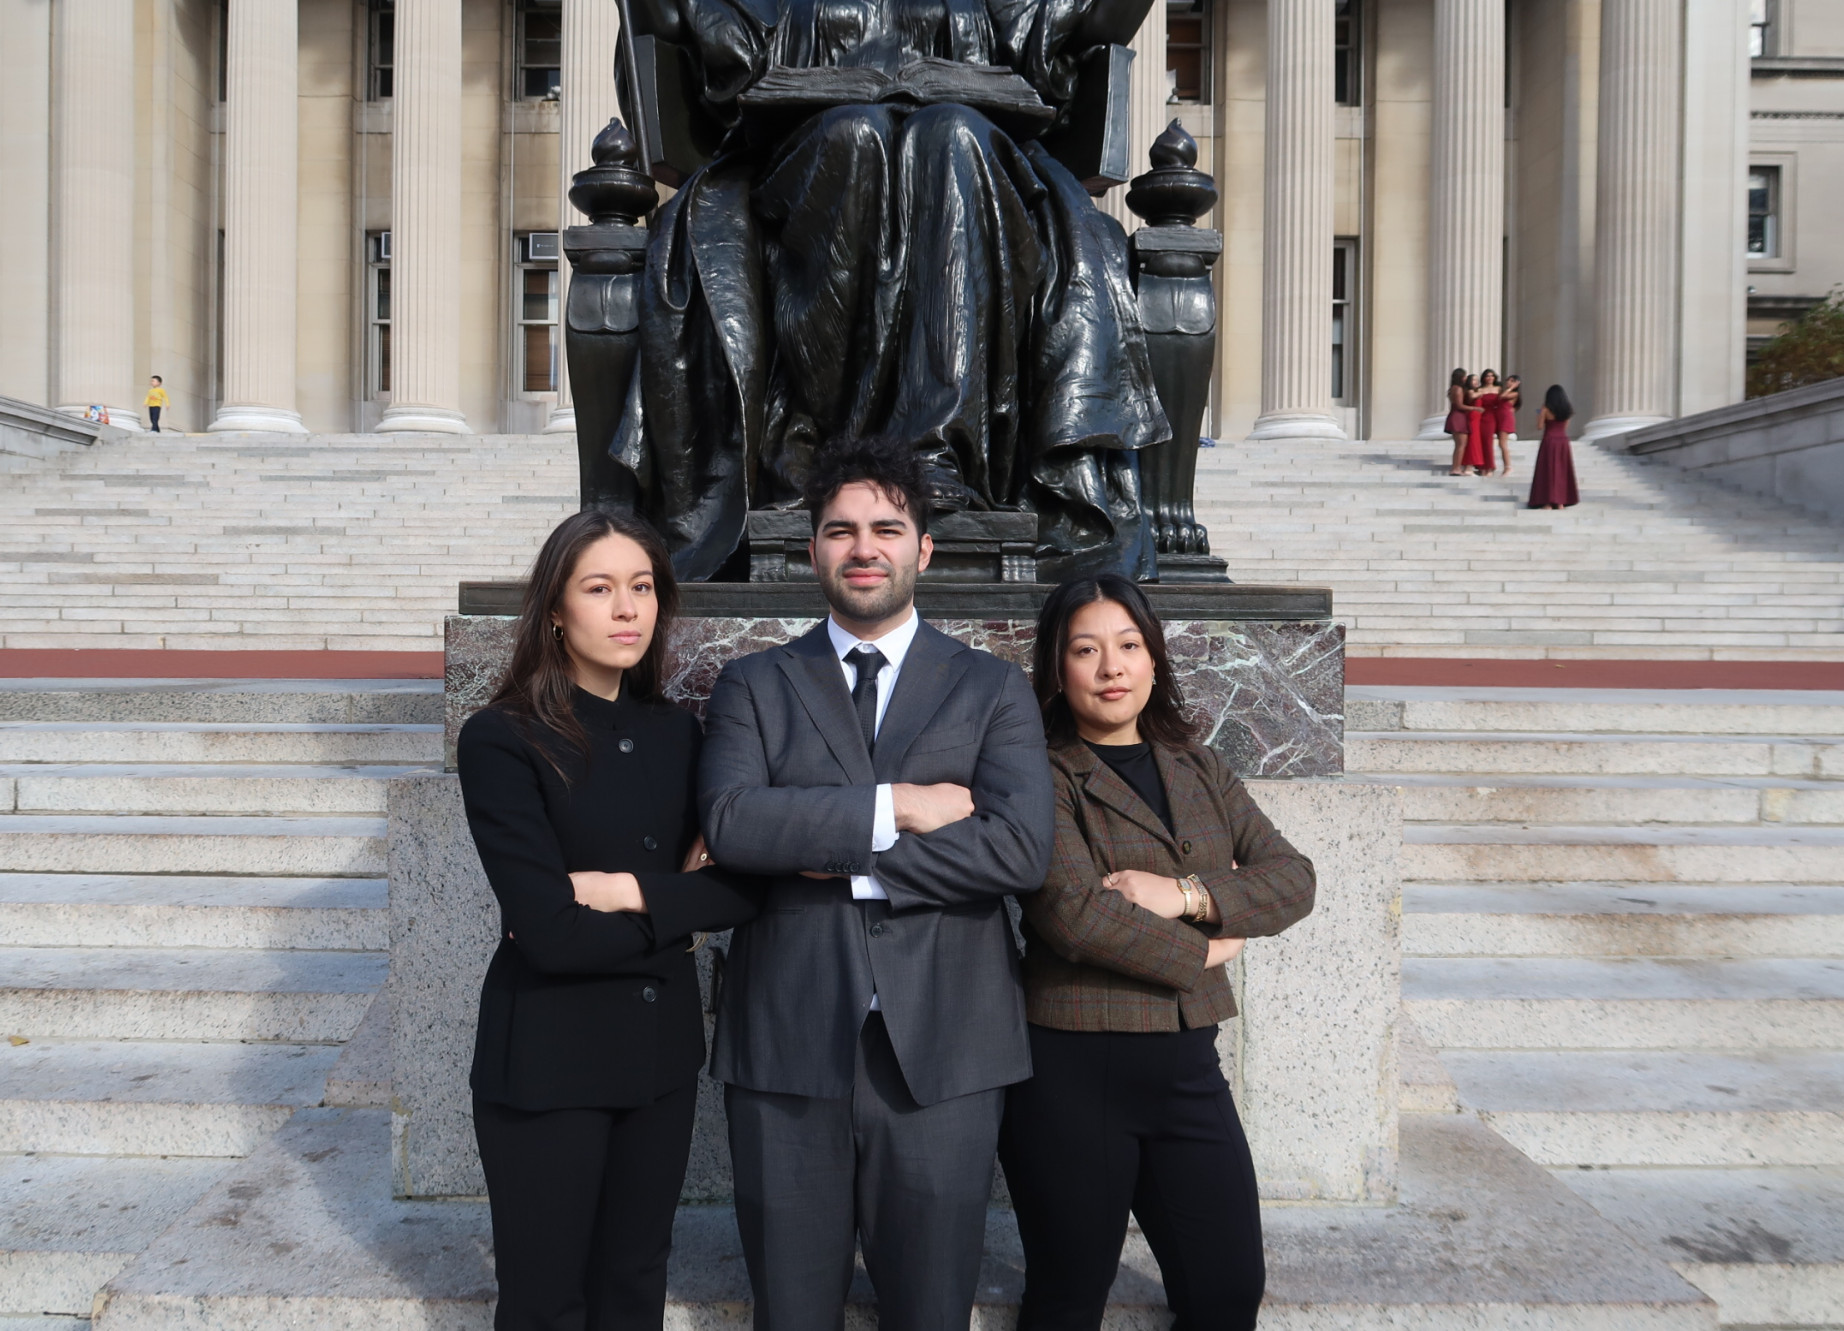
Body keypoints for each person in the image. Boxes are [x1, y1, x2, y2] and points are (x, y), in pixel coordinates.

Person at [698, 436, 1055, 1330]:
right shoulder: (753, 685)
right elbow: (734, 823)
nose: (864, 547)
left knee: (931, 1310)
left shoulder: (992, 689)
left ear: (922, 549)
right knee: (790, 1312)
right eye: (841, 530)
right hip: (785, 1043)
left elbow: (1019, 850)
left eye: (887, 529)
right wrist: (901, 805)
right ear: (812, 549)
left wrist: (826, 843)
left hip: (947, 1047)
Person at [456, 510, 765, 1331]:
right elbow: (551, 936)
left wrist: (626, 891)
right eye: (599, 588)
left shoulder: (681, 733)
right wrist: (680, 913)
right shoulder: (502, 738)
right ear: (556, 609)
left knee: (634, 1287)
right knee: (546, 1302)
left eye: (642, 587)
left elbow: (744, 888)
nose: (628, 608)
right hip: (549, 1063)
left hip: (659, 1062)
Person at [999, 574, 1316, 1331]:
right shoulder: (1037, 773)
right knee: (1069, 1297)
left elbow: (1294, 878)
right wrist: (1206, 952)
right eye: (1086, 649)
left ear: (1153, 658)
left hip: (1186, 1067)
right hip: (1072, 1072)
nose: (1112, 667)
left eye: (1129, 645)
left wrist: (1186, 895)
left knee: (1226, 1291)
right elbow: (1075, 915)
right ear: (1056, 666)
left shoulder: (1198, 765)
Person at [1528, 384, 1580, 510]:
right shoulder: (1567, 409)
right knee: (1561, 471)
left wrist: (1539, 415)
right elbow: (1565, 427)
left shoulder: (1545, 408)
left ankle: (1548, 502)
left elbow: (1540, 426)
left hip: (1549, 440)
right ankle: (1560, 501)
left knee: (1548, 470)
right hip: (1563, 441)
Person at [1470, 369, 1502, 476]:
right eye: (1487, 376)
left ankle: (1490, 467)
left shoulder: (1499, 389)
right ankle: (1482, 467)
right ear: (1484, 378)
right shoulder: (1480, 389)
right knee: (1482, 442)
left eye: (1492, 376)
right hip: (1481, 417)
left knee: (1488, 442)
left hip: (1492, 417)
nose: (1490, 378)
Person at [1443, 367, 1472, 476]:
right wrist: (1474, 408)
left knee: (1459, 445)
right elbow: (1460, 405)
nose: (1466, 378)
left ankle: (1456, 467)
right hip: (1459, 417)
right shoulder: (1458, 389)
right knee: (1461, 445)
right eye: (1464, 376)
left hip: (1455, 416)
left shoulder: (1452, 388)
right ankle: (1456, 468)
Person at [1495, 374, 1523, 475]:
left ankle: (1508, 467)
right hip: (1499, 417)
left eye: (1512, 381)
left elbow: (1503, 397)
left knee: (1503, 444)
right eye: (1508, 380)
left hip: (1506, 419)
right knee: (1501, 444)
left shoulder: (1515, 393)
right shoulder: (1504, 391)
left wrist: (1511, 388)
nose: (1508, 382)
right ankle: (1506, 466)